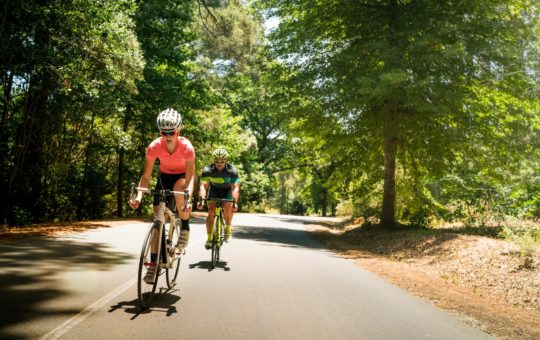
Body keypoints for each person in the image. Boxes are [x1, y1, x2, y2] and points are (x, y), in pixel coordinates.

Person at [128, 108, 195, 283]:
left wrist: (188, 198)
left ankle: (185, 228)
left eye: (171, 132)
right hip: (163, 177)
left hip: (182, 177)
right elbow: (146, 176)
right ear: (160, 132)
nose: (167, 135)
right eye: (164, 132)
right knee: (158, 219)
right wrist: (139, 197)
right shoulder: (154, 146)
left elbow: (190, 178)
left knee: (181, 189)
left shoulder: (187, 147)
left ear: (178, 131)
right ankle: (152, 265)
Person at [197, 148, 240, 249]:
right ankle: (209, 238)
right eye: (217, 161)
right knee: (211, 211)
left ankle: (228, 230)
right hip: (214, 190)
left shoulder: (232, 171)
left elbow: (235, 188)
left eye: (222, 161)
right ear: (214, 160)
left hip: (227, 191)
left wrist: (235, 202)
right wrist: (201, 200)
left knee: (228, 207)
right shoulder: (207, 170)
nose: (219, 163)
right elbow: (203, 186)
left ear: (226, 161)